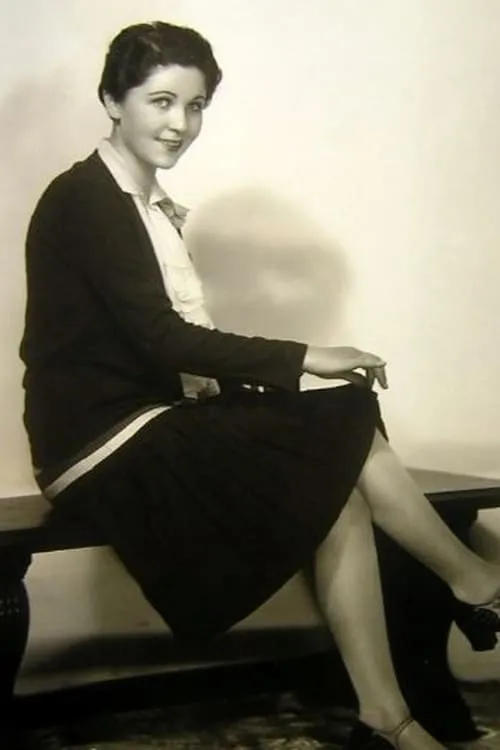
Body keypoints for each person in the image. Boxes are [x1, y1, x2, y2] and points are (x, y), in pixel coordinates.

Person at [19, 21, 500, 750]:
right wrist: (308, 355)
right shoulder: (87, 198)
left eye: (196, 106)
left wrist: (277, 381)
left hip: (150, 418)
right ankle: (474, 584)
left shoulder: (139, 202)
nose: (181, 124)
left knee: (332, 473)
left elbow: (162, 347)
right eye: (160, 101)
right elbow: (162, 339)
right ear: (113, 102)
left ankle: (388, 717)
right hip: (99, 444)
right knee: (340, 420)